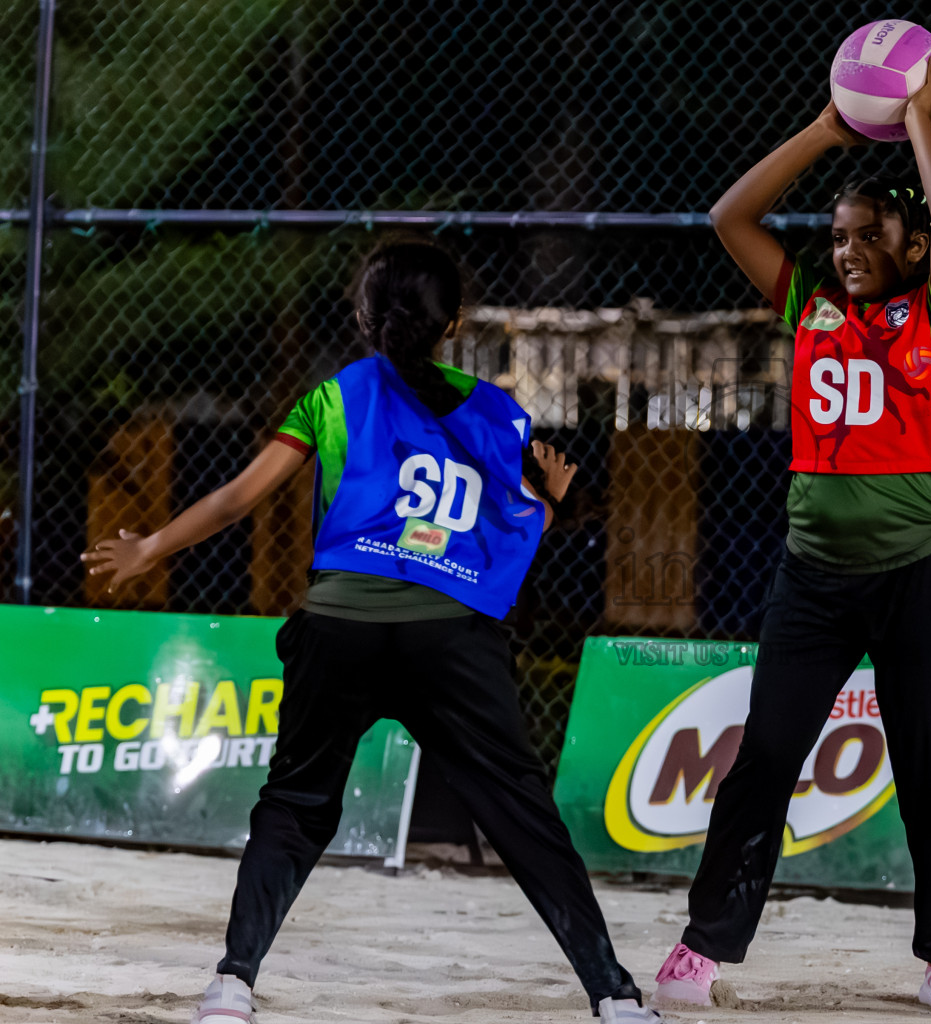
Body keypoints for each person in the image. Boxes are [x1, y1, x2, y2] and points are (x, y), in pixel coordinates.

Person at [82, 240, 665, 1024]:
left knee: (294, 807)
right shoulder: (499, 412)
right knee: (522, 815)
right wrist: (556, 503)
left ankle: (232, 984)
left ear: (363, 317)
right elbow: (509, 529)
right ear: (453, 325)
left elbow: (235, 499)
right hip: (451, 641)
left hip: (340, 628)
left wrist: (150, 545)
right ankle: (614, 996)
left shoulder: (335, 396)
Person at [652, 59, 931, 1014]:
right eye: (838, 236)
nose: (846, 250)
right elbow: (730, 217)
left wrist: (919, 122)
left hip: (915, 568)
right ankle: (703, 949)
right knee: (764, 756)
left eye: (869, 236)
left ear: (912, 246)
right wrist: (826, 131)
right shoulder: (810, 306)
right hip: (812, 574)